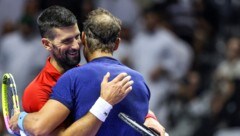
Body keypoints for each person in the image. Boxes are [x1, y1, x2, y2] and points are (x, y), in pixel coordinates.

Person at [10, 6, 165, 136]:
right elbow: (41, 127)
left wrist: (149, 116)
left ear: (83, 37)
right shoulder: (37, 91)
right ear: (46, 44)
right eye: (66, 41)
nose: (76, 46)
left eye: (77, 37)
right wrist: (21, 119)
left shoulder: (77, 76)